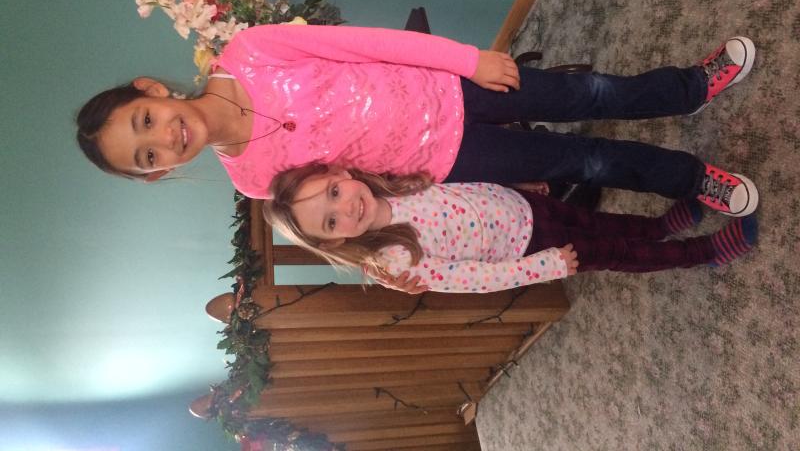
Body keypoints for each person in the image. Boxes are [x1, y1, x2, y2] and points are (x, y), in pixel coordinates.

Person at [76, 25, 759, 217]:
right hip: (445, 162)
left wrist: (468, 59)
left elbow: (367, 43)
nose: (164, 139)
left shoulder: (251, 50)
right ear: (157, 175)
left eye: (145, 120)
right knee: (582, 162)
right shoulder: (254, 181)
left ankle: (687, 87)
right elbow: (355, 197)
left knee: (586, 94)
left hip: (454, 89)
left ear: (152, 91)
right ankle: (691, 180)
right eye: (147, 156)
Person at [263, 164, 758, 293]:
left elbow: (460, 187)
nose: (346, 208)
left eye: (334, 193)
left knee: (599, 221)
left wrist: (514, 187)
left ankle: (657, 227)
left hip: (524, 206)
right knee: (613, 252)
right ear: (335, 240)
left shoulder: (387, 184)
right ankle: (700, 253)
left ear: (341, 174)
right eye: (331, 221)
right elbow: (475, 279)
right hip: (532, 247)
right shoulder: (394, 261)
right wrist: (545, 267)